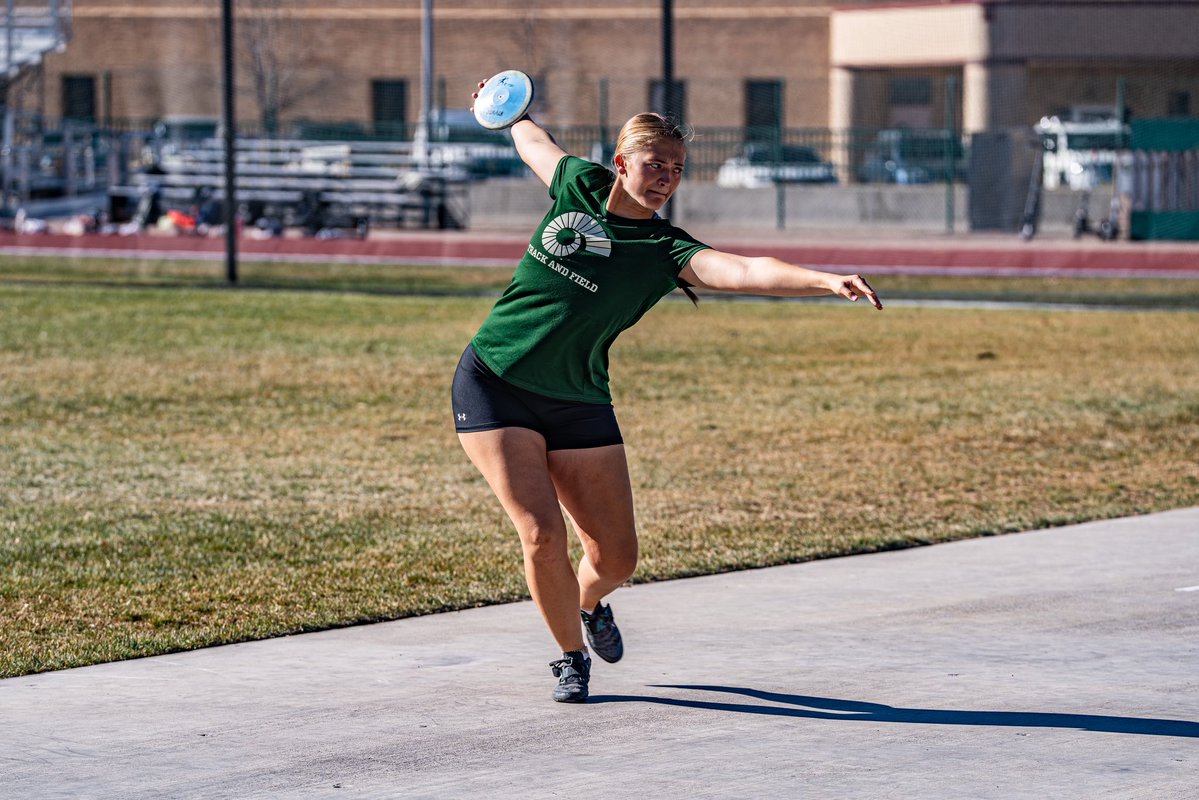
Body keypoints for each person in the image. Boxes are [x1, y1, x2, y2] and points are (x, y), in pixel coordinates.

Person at [453, 80, 882, 704]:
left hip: (579, 398)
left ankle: (591, 602)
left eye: (677, 170)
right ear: (622, 162)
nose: (666, 179)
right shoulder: (577, 184)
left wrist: (825, 281)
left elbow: (742, 270)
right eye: (656, 165)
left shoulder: (664, 249)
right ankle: (570, 657)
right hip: (496, 380)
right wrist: (504, 109)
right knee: (542, 533)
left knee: (617, 558)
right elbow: (533, 142)